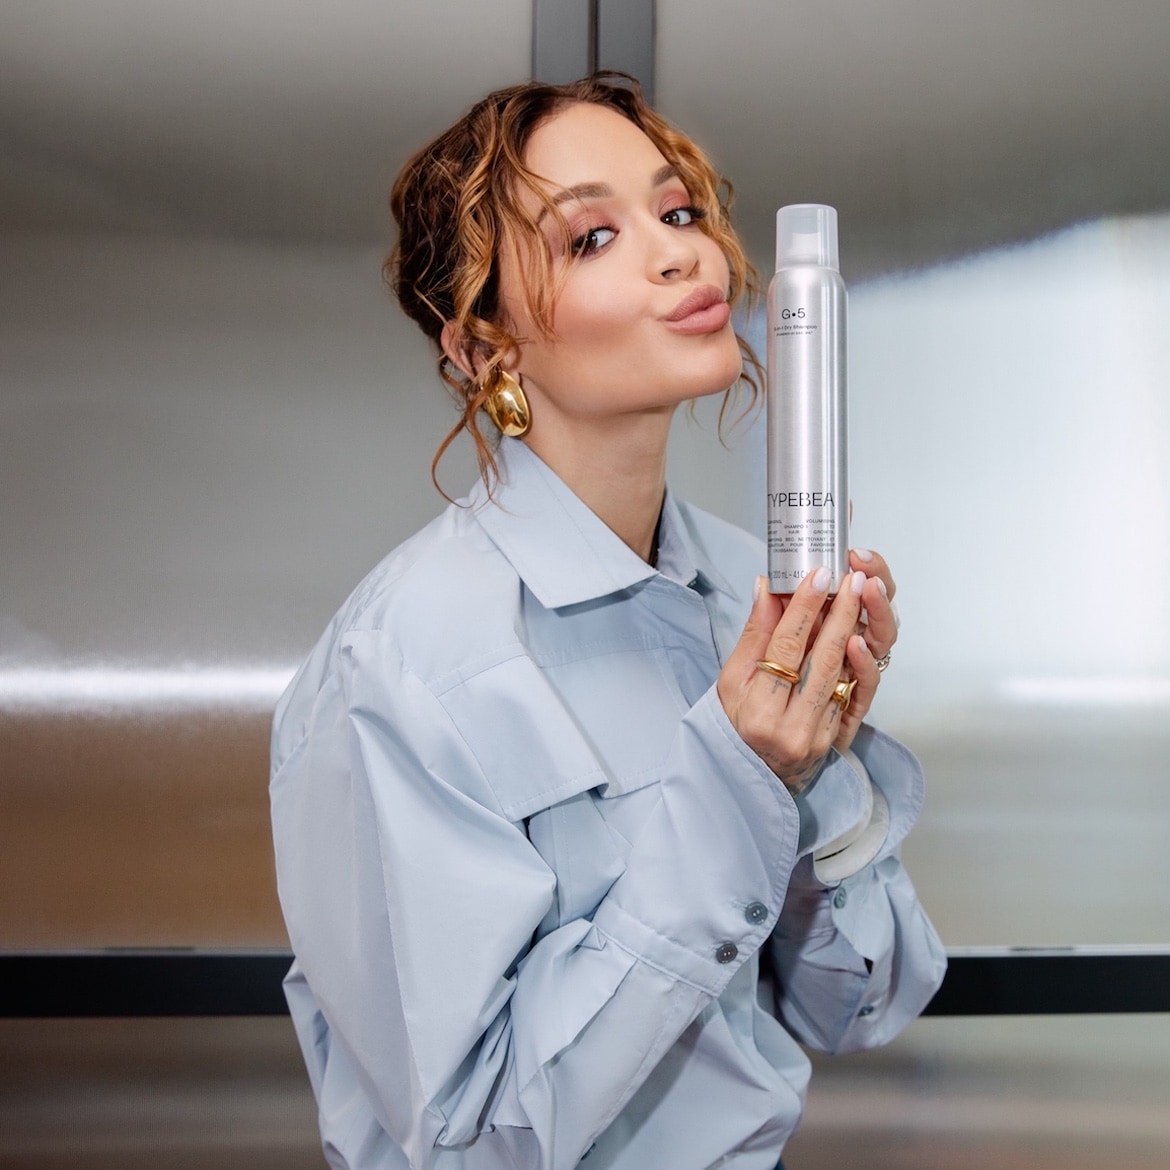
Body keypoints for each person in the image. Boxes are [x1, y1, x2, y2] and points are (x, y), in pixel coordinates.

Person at [271, 73, 946, 1170]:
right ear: (485, 351)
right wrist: (738, 783)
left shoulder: (745, 590)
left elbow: (863, 1008)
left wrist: (822, 775)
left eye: (678, 213)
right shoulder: (401, 668)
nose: (681, 253)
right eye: (591, 237)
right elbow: (471, 1144)